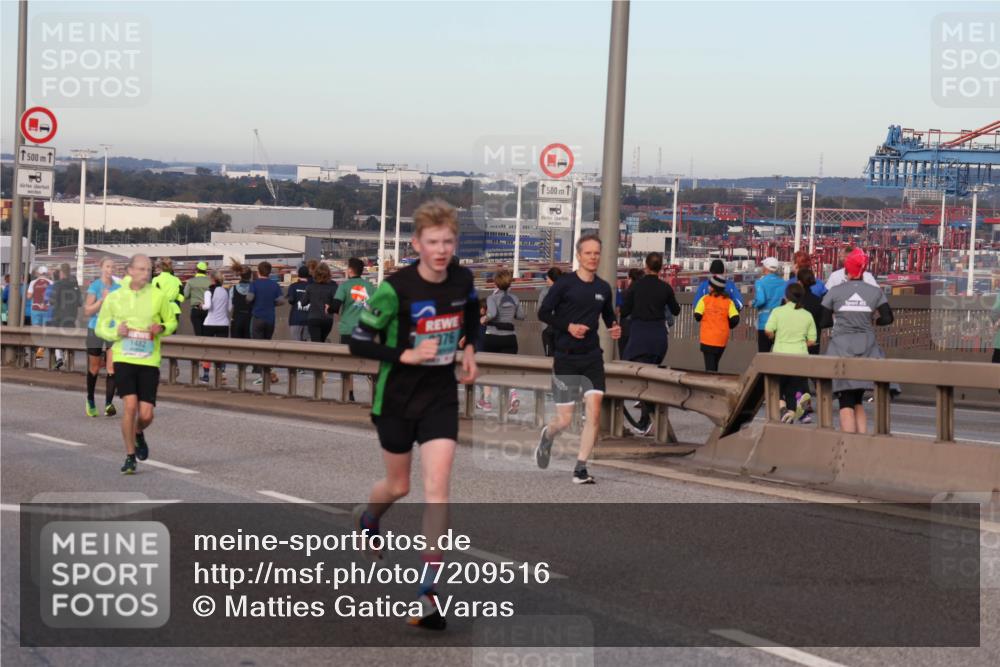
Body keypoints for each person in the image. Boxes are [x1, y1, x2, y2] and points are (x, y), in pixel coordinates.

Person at [349, 199, 479, 631]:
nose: (441, 250)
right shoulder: (395, 287)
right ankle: (370, 518)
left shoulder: (462, 279)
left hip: (440, 396)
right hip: (397, 399)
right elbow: (358, 339)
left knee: (438, 489)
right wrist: (403, 353)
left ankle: (428, 593)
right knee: (399, 485)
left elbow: (471, 317)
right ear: (417, 243)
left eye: (447, 242)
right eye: (432, 242)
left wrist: (469, 349)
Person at [536, 234, 622, 484]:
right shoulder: (564, 284)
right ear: (578, 255)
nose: (593, 257)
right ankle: (547, 436)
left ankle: (581, 467)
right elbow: (543, 312)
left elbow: (608, 317)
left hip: (592, 358)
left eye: (597, 253)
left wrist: (614, 328)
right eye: (588, 253)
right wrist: (568, 326)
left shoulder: (603, 288)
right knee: (564, 420)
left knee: (594, 414)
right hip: (566, 358)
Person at [95, 254, 178, 474]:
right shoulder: (115, 297)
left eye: (148, 269)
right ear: (130, 270)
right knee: (129, 406)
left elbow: (171, 322)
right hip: (124, 357)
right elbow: (100, 327)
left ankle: (139, 433)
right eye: (141, 269)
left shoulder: (158, 296)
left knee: (146, 414)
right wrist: (116, 331)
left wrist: (161, 327)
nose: (145, 273)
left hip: (149, 360)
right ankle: (130, 456)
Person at [819, 248, 894, 434]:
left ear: (847, 268)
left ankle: (849, 445)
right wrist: (872, 320)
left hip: (841, 347)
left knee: (845, 400)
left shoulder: (835, 291)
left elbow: (824, 321)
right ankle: (862, 441)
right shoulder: (874, 291)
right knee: (858, 399)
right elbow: (888, 318)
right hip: (867, 347)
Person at [620, 252, 681, 434]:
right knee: (651, 375)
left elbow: (624, 311)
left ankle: (645, 420)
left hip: (639, 335)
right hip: (658, 337)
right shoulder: (665, 288)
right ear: (661, 267)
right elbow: (676, 310)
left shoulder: (636, 287)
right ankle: (648, 420)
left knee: (636, 375)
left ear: (646, 267)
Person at [765, 283, 817, 423]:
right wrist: (800, 344)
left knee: (776, 388)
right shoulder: (807, 315)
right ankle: (792, 413)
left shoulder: (778, 311)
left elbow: (768, 330)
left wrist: (775, 337)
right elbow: (812, 340)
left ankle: (783, 410)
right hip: (800, 357)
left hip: (780, 355)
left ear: (786, 297)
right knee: (793, 390)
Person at [477, 268, 526, 414]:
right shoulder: (515, 298)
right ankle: (513, 396)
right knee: (507, 370)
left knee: (488, 369)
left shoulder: (492, 298)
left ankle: (487, 402)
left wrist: (483, 319)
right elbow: (521, 316)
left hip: (493, 337)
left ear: (496, 283)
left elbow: (492, 314)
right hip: (510, 338)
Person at [331, 257, 375, 402]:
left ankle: (349, 394)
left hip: (348, 330)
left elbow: (335, 306)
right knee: (369, 363)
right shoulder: (370, 286)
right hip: (365, 330)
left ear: (350, 270)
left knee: (347, 364)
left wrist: (329, 308)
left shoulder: (344, 286)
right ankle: (373, 393)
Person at [83, 258, 120, 417]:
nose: (109, 269)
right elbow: (87, 311)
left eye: (112, 267)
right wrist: (101, 300)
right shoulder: (95, 286)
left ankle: (108, 404)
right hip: (96, 329)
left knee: (112, 369)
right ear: (101, 267)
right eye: (107, 266)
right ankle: (90, 400)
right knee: (94, 368)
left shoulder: (119, 288)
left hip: (113, 330)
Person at [247, 260, 285, 385]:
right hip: (270, 318)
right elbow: (281, 301)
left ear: (258, 272)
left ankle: (263, 375)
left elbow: (250, 298)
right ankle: (268, 371)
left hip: (258, 317)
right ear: (270, 272)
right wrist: (270, 303)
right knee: (267, 346)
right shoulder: (274, 285)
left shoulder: (254, 284)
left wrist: (251, 302)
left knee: (258, 347)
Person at [695, 274, 740, 372]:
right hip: (721, 339)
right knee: (714, 364)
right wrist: (728, 325)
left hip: (707, 339)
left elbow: (697, 316)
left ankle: (711, 385)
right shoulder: (728, 302)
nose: (708, 287)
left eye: (710, 285)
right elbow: (735, 319)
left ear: (713, 287)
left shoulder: (704, 299)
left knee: (710, 368)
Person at [48, 263, 83, 369]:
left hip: (58, 316)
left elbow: (52, 301)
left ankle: (59, 357)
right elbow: (80, 302)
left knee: (55, 336)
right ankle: (68, 358)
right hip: (71, 316)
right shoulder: (75, 285)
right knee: (68, 337)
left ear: (61, 272)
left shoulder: (57, 285)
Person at [199, 270, 231, 384]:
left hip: (210, 324)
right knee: (221, 350)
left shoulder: (209, 291)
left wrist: (201, 306)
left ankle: (206, 375)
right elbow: (229, 308)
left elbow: (207, 306)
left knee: (207, 350)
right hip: (223, 324)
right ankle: (222, 373)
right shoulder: (225, 291)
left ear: (212, 279)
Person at [752, 257, 786, 353]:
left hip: (764, 323)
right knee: (779, 355)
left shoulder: (760, 282)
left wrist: (753, 303)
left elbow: (761, 300)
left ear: (765, 268)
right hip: (779, 323)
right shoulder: (783, 283)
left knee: (763, 354)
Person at [300, 262, 337, 343]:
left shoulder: (310, 287)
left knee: (316, 343)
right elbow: (336, 302)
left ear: (315, 274)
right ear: (328, 274)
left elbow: (303, 303)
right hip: (327, 319)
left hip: (313, 318)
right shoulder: (333, 287)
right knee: (322, 341)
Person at [796, 268, 824, 356]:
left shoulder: (794, 301)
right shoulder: (818, 301)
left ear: (799, 282)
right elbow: (822, 321)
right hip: (813, 341)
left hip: (796, 341)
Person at [617, 267, 644, 358]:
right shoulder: (643, 292)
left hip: (626, 327)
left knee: (624, 354)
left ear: (630, 278)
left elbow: (622, 311)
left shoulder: (625, 293)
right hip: (641, 327)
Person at [538, 267, 563, 357]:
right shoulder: (566, 290)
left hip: (549, 328)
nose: (546, 279)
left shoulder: (545, 292)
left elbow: (540, 310)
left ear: (552, 278)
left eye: (548, 278)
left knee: (549, 356)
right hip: (562, 328)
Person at [182, 261, 211, 336]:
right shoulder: (210, 281)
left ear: (197, 270)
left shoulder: (191, 282)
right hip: (208, 310)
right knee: (207, 334)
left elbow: (186, 295)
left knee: (198, 334)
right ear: (205, 271)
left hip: (196, 310)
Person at [286, 265, 311, 343]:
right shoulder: (312, 286)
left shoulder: (293, 286)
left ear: (298, 274)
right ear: (308, 275)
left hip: (295, 319)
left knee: (296, 344)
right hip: (309, 319)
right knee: (306, 344)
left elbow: (291, 300)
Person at [229, 264, 254, 341]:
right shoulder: (254, 289)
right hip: (250, 320)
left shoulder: (233, 289)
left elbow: (229, 308)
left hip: (237, 319)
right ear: (250, 276)